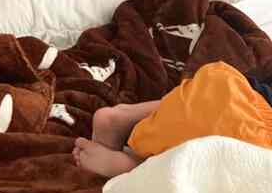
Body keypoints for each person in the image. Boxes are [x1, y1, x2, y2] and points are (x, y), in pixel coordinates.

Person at [73, 60, 272, 178]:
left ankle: (125, 115)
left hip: (227, 89)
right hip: (245, 132)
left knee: (222, 96)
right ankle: (135, 168)